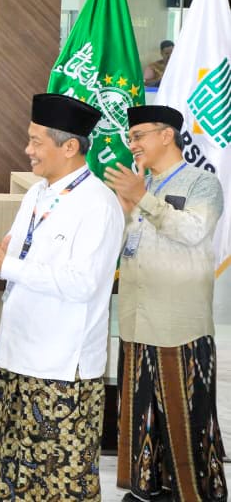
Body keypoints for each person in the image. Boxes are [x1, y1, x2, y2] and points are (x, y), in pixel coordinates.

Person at [0, 93, 124, 501]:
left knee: (55, 481)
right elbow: (16, 262)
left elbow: (82, 283)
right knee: (4, 474)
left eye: (35, 141)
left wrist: (6, 264)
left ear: (69, 146)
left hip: (61, 369)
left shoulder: (98, 205)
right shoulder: (37, 194)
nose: (27, 150)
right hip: (15, 356)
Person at [104, 105, 227, 502]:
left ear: (166, 135)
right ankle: (146, 490)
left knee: (184, 416)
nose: (132, 145)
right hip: (136, 321)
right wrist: (126, 213)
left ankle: (192, 493)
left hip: (179, 326)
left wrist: (143, 199)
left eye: (138, 136)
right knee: (141, 415)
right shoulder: (140, 186)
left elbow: (192, 231)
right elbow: (121, 249)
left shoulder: (203, 183)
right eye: (130, 138)